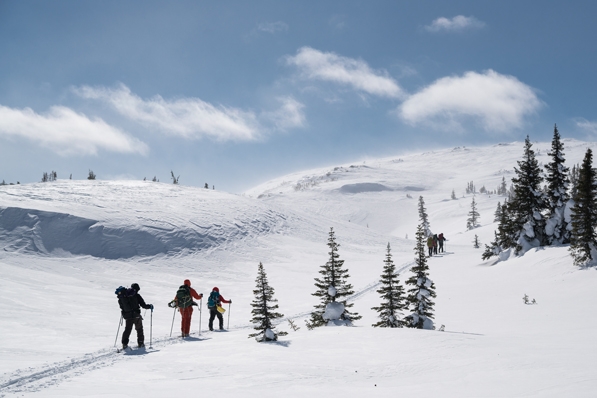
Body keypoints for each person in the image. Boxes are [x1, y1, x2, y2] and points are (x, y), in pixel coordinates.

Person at [118, 283, 153, 350]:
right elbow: (143, 305)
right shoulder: (137, 295)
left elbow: (121, 306)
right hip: (136, 315)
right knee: (139, 329)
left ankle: (124, 344)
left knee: (127, 330)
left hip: (127, 316)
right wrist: (150, 306)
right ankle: (140, 343)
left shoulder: (123, 296)